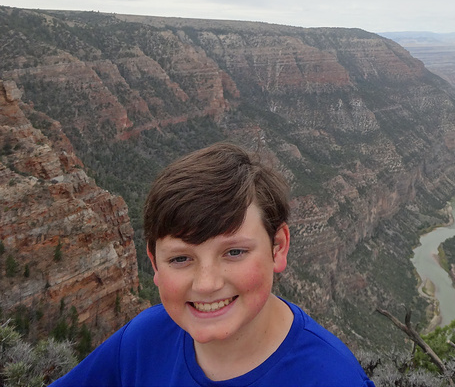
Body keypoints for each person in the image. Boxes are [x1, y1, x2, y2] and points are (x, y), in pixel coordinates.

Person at [52, 142, 375, 387]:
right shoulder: (142, 341)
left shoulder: (330, 377)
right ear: (154, 264)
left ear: (277, 248)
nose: (206, 283)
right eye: (181, 259)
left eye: (234, 252)